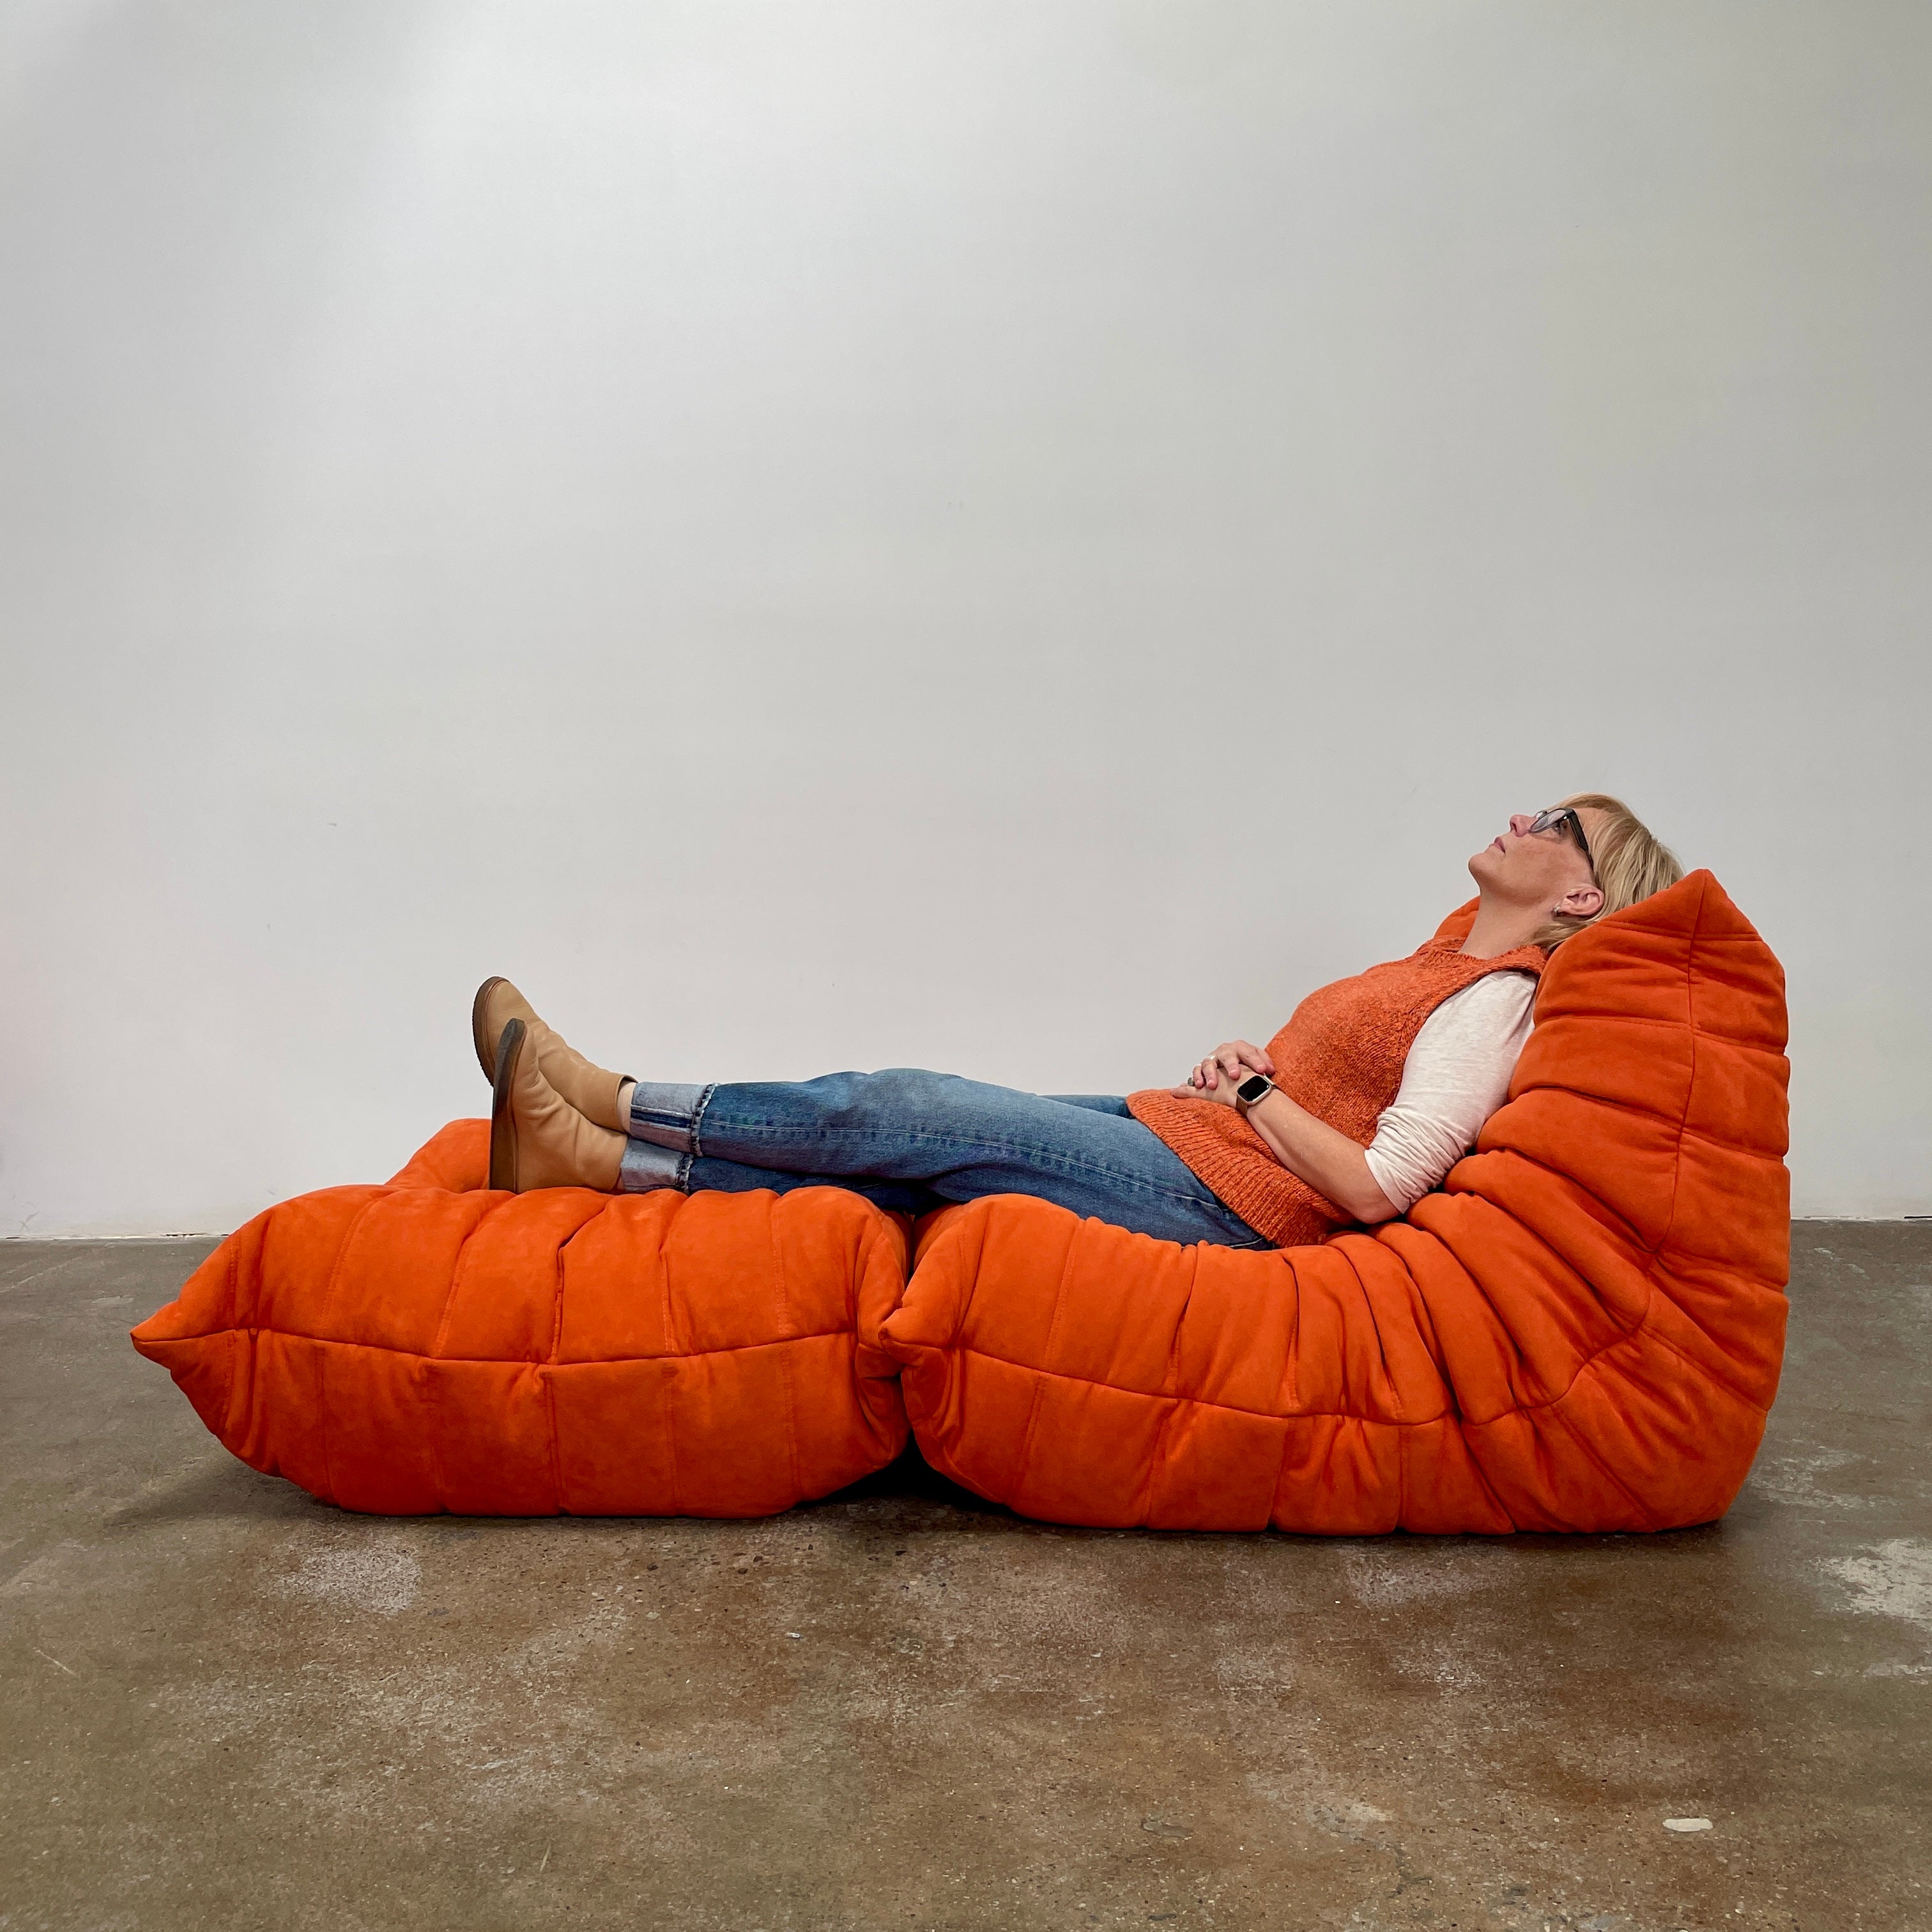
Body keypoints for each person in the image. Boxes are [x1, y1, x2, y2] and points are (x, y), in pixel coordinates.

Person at [478, 794, 1681, 1250]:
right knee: (909, 1173)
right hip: (1191, 1142)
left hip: (1224, 1207)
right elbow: (1333, 1094)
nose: (1522, 817)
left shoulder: (1496, 1001)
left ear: (1581, 895)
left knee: (896, 1107)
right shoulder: (1435, 961)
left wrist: (1256, 1102)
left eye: (1557, 826)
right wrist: (1247, 1069)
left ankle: (616, 1097)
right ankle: (595, 1158)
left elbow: (1378, 1188)